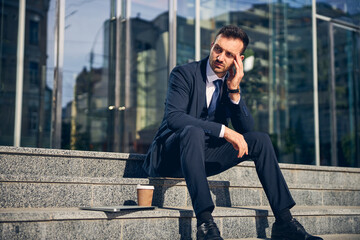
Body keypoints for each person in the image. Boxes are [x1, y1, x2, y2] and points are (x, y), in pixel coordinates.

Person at [143, 25, 322, 240]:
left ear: (239, 59)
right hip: (170, 156)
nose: (221, 57)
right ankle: (205, 224)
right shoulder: (184, 73)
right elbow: (175, 118)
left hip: (204, 157)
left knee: (260, 140)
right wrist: (224, 131)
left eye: (229, 54)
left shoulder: (229, 84)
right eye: (218, 49)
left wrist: (234, 90)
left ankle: (285, 222)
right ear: (212, 46)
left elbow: (247, 130)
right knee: (192, 131)